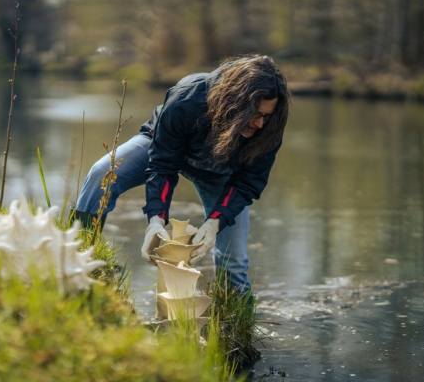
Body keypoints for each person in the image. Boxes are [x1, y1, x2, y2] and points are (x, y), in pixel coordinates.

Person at [74, 55, 290, 293]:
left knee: (235, 263)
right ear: (234, 103)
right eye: (255, 114)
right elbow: (163, 164)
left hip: (220, 171)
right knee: (103, 172)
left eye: (267, 116)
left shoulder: (268, 131)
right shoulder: (188, 98)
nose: (260, 124)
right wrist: (155, 220)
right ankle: (77, 258)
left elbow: (247, 184)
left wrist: (213, 224)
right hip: (163, 149)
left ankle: (235, 322)